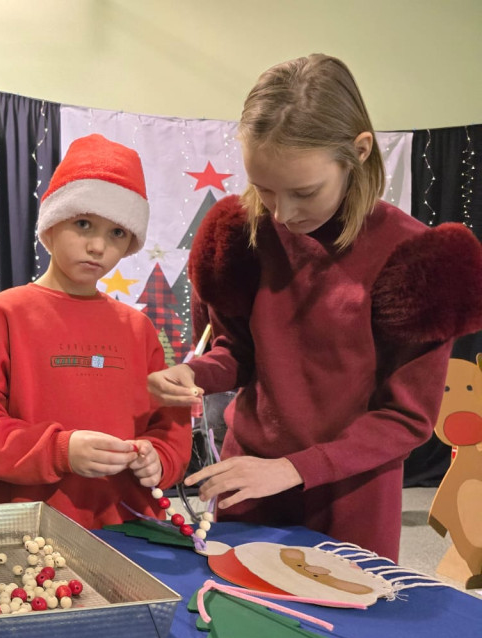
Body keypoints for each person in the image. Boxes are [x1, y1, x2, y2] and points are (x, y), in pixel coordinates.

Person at [147, 54, 482, 561]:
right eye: (264, 190)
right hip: (247, 485)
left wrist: (293, 468)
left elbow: (406, 419)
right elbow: (236, 350)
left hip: (350, 498)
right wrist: (196, 373)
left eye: (304, 192)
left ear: (359, 151)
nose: (283, 213)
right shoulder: (241, 236)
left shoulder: (417, 260)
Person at [0, 133, 191, 529]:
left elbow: (169, 423)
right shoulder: (6, 313)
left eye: (117, 233)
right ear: (51, 224)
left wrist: (159, 457)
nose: (98, 246)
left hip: (128, 532)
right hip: (28, 532)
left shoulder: (139, 329)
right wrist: (60, 451)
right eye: (83, 224)